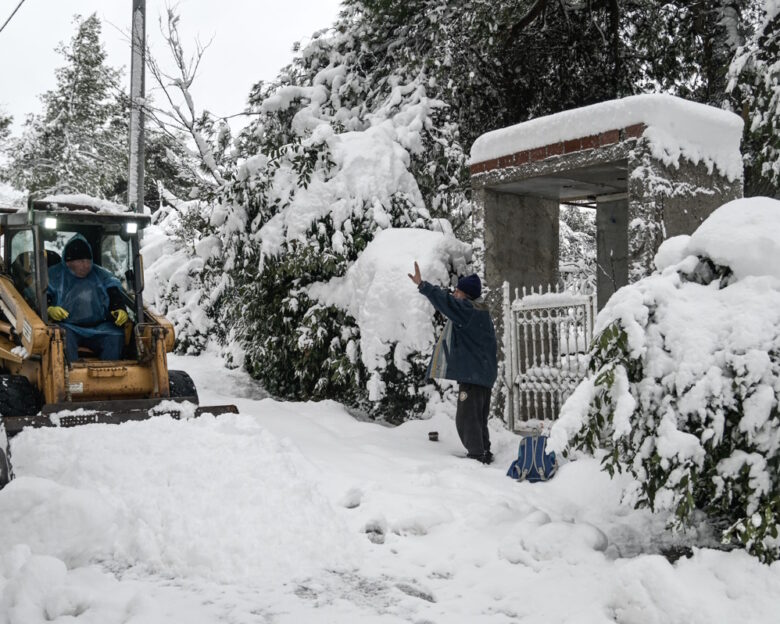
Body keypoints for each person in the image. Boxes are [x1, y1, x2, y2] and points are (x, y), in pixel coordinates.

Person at [408, 261, 498, 464]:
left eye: (458, 291)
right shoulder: (480, 311)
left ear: (466, 294)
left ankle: (477, 456)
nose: (455, 293)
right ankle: (484, 451)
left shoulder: (467, 310)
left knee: (466, 418)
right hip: (484, 374)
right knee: (478, 418)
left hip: (474, 375)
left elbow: (445, 302)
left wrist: (423, 285)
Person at [47, 234, 128, 362]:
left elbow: (114, 293)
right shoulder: (54, 276)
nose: (85, 266)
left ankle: (111, 374)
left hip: (100, 327)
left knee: (115, 336)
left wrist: (119, 308)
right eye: (80, 261)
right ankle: (69, 375)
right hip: (68, 327)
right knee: (59, 337)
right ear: (68, 262)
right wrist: (49, 309)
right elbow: (42, 295)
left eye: (87, 261)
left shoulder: (101, 275)